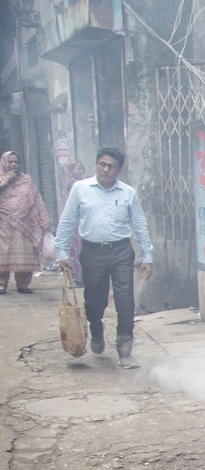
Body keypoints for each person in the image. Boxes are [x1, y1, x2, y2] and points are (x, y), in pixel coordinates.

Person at [54, 147, 154, 369]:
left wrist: (147, 256)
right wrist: (61, 254)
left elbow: (140, 224)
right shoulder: (81, 189)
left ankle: (125, 350)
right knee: (94, 299)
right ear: (96, 164)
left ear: (119, 170)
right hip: (91, 252)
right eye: (102, 164)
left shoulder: (128, 193)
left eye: (111, 166)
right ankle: (96, 327)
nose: (106, 169)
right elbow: (68, 221)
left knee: (125, 301)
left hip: (120, 251)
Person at [0, 150, 51, 295]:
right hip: (3, 223)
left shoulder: (26, 180)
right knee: (3, 252)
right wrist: (6, 180)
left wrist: (43, 219)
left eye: (16, 162)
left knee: (26, 251)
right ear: (4, 162)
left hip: (25, 224)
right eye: (10, 162)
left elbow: (36, 199)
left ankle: (23, 284)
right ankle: (1, 284)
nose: (14, 164)